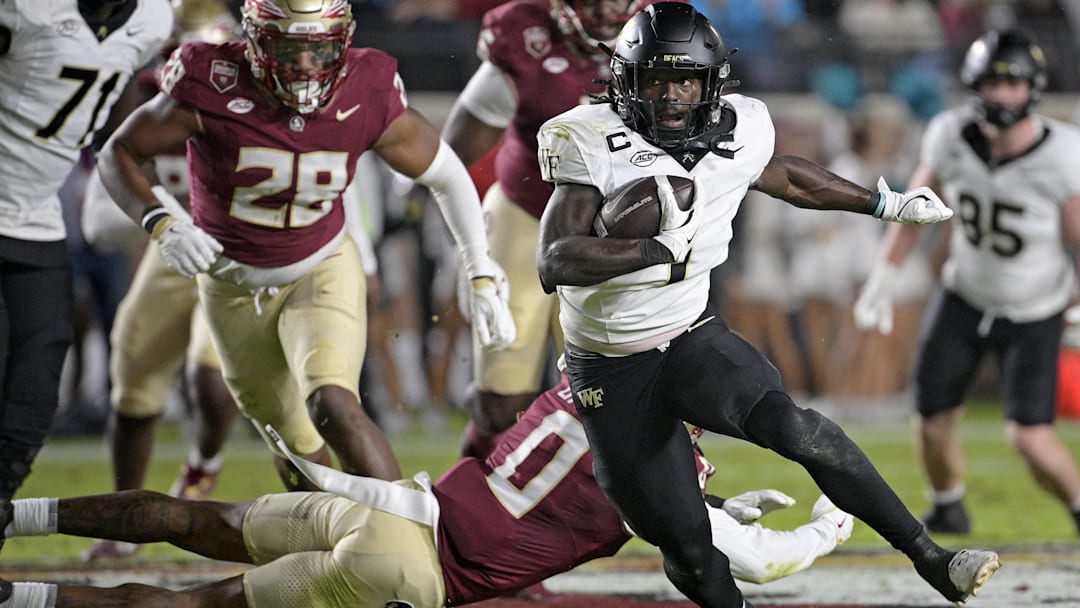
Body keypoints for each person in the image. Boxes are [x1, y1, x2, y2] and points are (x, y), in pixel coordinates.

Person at [534, 4, 998, 607]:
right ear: (626, 80)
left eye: (686, 79)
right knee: (691, 551)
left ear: (711, 82)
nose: (672, 95)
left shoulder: (739, 127)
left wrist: (881, 206)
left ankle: (932, 557)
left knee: (793, 427)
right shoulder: (590, 139)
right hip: (609, 367)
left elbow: (785, 178)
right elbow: (554, 261)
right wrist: (651, 248)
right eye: (656, 79)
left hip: (687, 334)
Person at [96, 0, 516, 490]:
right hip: (231, 285)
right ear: (254, 41)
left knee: (333, 402)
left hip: (321, 265)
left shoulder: (366, 86)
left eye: (318, 51)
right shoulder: (211, 81)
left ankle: (411, 538)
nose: (303, 66)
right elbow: (119, 152)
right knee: (295, 448)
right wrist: (162, 221)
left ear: (342, 41)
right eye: (287, 49)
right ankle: (327, 549)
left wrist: (481, 271)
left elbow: (446, 173)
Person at [0, 373, 854, 607]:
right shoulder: (657, 473)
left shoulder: (577, 387)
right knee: (194, 607)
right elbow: (759, 566)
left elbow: (575, 482)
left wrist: (711, 506)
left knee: (189, 518)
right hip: (408, 573)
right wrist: (829, 526)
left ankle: (13, 515)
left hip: (382, 505)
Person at [854, 29, 1080, 536]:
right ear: (975, 86)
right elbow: (915, 208)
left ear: (1033, 89)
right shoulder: (949, 133)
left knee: (1030, 439)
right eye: (993, 83)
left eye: (1013, 84)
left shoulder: (1063, 153)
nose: (1003, 95)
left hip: (1035, 307)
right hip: (965, 294)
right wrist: (883, 276)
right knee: (930, 417)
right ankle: (948, 504)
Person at [443, 0, 670, 458]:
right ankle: (466, 502)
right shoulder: (526, 38)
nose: (605, 7)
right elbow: (447, 159)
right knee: (502, 403)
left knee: (617, 397)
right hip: (525, 216)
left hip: (617, 235)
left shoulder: (670, 33)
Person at [76, 0, 250, 562]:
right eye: (178, 59)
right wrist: (158, 219)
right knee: (132, 375)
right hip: (173, 245)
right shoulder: (148, 99)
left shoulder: (251, 98)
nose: (189, 73)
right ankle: (123, 515)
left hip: (239, 250)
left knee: (211, 380)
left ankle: (204, 464)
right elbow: (105, 199)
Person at [0, 0, 173, 502]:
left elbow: (117, 112)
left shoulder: (151, 20)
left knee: (29, 411)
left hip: (37, 224)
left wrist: (131, 180)